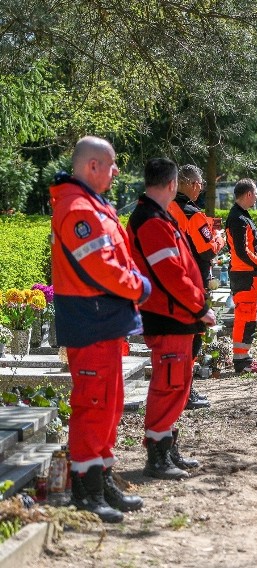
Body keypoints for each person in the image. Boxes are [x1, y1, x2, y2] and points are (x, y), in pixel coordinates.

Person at [51, 136, 151, 523]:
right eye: (111, 165)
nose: (116, 172)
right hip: (90, 321)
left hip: (104, 320)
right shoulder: (77, 207)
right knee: (92, 406)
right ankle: (85, 488)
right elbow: (102, 267)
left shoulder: (92, 204)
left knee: (108, 405)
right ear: (92, 166)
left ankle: (102, 476)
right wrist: (139, 286)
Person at [128, 158, 216, 480]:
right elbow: (170, 275)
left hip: (175, 314)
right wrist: (199, 306)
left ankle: (166, 444)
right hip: (168, 315)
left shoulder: (157, 216)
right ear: (172, 184)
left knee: (177, 383)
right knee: (168, 384)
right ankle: (157, 454)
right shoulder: (151, 220)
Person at [169, 164, 225, 410]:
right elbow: (207, 249)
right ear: (192, 184)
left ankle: (177, 389)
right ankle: (185, 391)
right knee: (193, 337)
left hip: (171, 279)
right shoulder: (193, 214)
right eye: (200, 184)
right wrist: (219, 238)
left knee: (176, 337)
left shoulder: (166, 208)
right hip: (193, 282)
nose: (201, 188)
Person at [226, 179, 257, 372]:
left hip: (248, 275)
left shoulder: (242, 216)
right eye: (254, 194)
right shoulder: (237, 218)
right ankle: (240, 361)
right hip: (243, 275)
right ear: (247, 194)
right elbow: (242, 251)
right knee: (244, 317)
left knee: (249, 317)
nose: (256, 197)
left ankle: (245, 357)